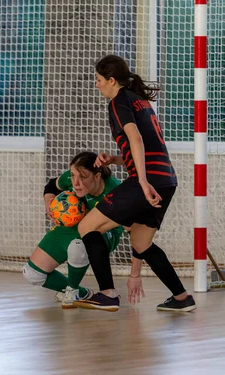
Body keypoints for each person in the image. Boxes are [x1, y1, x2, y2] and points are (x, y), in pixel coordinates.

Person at [74, 54, 196, 313]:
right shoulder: (138, 100)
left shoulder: (118, 100)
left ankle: (107, 293)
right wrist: (115, 160)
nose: (96, 85)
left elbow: (137, 139)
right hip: (166, 180)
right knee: (141, 243)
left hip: (149, 180)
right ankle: (182, 297)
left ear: (111, 80)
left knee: (86, 226)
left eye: (98, 80)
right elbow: (143, 145)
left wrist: (140, 180)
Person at [23, 151, 141, 309]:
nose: (76, 183)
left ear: (97, 177)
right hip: (70, 227)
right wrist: (49, 202)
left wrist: (135, 274)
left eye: (83, 177)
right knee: (32, 274)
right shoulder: (73, 178)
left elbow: (136, 233)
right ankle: (82, 293)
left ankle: (71, 291)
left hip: (103, 235)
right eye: (73, 176)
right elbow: (51, 185)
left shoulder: (115, 192)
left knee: (77, 247)